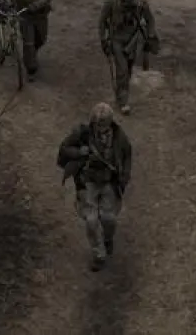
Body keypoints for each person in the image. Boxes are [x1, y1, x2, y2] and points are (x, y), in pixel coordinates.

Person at [57, 102, 133, 271]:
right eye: (97, 124)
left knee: (108, 218)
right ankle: (99, 254)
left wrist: (124, 177)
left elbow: (127, 154)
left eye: (103, 125)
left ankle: (107, 239)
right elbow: (64, 148)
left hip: (108, 182)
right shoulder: (83, 133)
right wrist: (80, 152)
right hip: (87, 182)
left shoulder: (119, 137)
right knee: (91, 221)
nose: (100, 128)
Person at [98, 0, 159, 114]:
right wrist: (103, 40)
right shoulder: (111, 3)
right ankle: (123, 101)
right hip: (116, 41)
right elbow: (101, 22)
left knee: (128, 69)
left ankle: (121, 91)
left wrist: (150, 35)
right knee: (122, 70)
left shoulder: (141, 4)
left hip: (133, 42)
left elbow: (150, 20)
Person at [0, 0, 54, 81]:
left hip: (40, 14)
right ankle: (30, 69)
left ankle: (31, 54)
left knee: (41, 39)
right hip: (24, 13)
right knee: (29, 42)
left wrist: (36, 5)